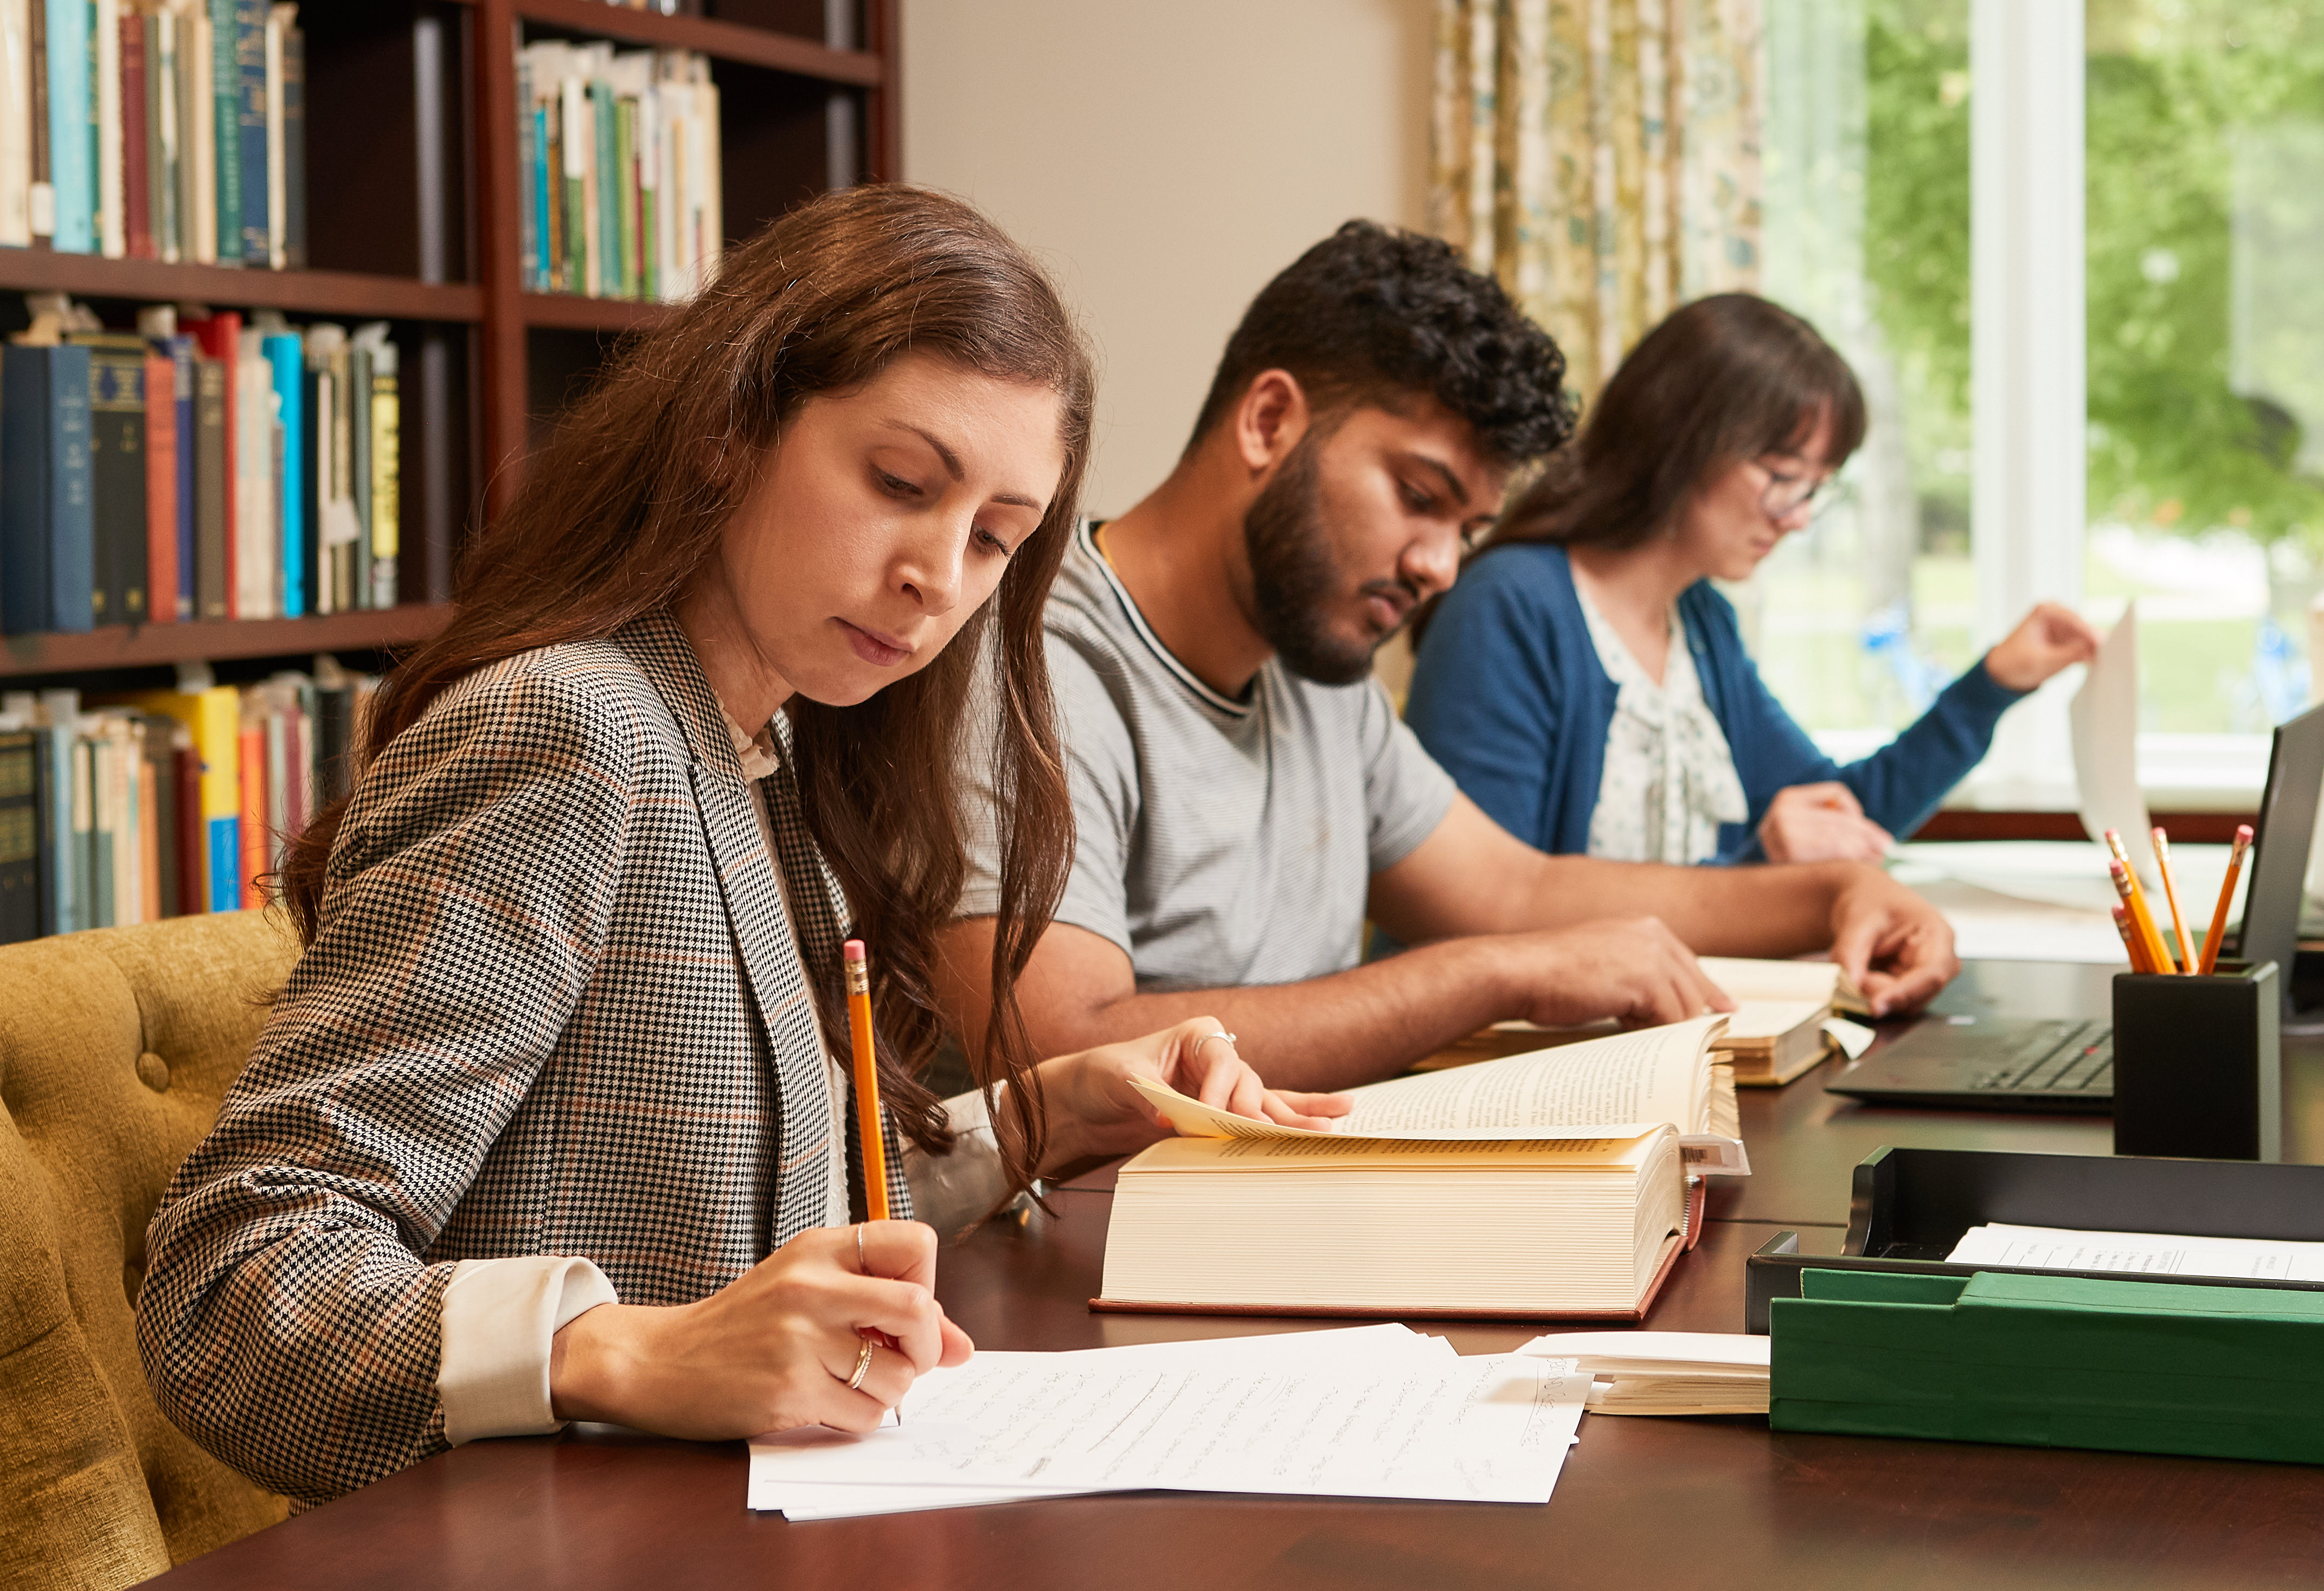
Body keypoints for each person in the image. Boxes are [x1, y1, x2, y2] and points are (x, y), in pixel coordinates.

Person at [138, 186, 1337, 1507]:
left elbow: (764, 1241)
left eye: (994, 537)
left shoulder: (771, 754)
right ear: (728, 432)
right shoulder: (572, 728)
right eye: (899, 483)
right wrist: (625, 1348)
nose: (939, 572)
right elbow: (234, 1281)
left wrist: (1047, 1111)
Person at [933, 222, 1965, 1099]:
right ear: (1269, 420)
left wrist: (1834, 895)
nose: (1438, 566)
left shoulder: (1314, 666)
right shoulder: (1032, 657)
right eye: (1420, 497)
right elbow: (1055, 1049)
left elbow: (1518, 891)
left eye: (1467, 527)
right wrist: (1492, 976)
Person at [1404, 293, 2097, 871]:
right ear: (1680, 440)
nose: (1797, 519)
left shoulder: (1700, 623)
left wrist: (1994, 686)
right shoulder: (1512, 607)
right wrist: (1757, 870)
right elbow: (1486, 907)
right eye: (1783, 478)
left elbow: (1837, 813)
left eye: (1815, 489)